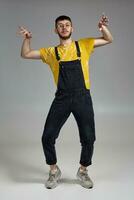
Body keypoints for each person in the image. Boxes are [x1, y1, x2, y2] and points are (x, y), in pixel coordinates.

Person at [18, 14, 113, 189]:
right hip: (61, 98)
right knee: (47, 136)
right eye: (60, 25)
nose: (64, 27)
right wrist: (27, 39)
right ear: (55, 30)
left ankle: (83, 170)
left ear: (72, 28)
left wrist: (102, 27)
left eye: (67, 25)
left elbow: (108, 39)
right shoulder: (51, 52)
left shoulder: (83, 45)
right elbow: (25, 54)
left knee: (89, 138)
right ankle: (53, 170)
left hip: (82, 97)